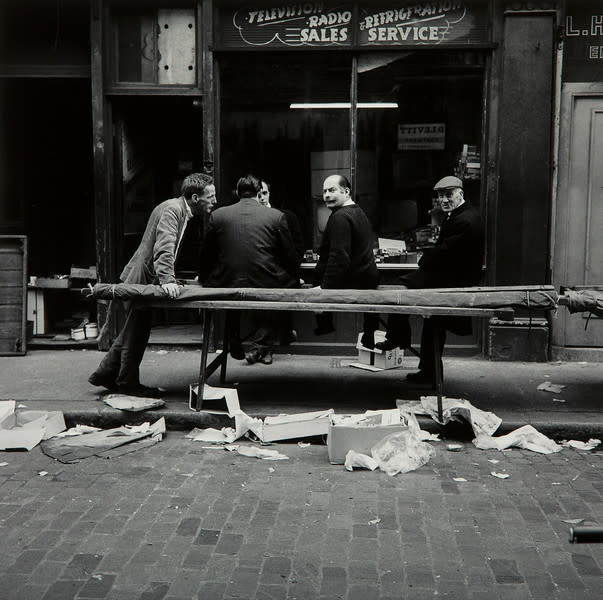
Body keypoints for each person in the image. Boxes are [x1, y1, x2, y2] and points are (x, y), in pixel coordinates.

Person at [88, 173, 217, 396]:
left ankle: (105, 373)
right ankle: (125, 382)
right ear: (195, 198)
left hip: (145, 277)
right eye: (211, 196)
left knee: (133, 329)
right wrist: (167, 280)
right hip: (143, 280)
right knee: (136, 332)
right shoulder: (173, 210)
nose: (215, 201)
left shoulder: (177, 208)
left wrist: (169, 277)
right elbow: (164, 247)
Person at [375, 175, 485, 384]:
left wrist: (425, 258)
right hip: (450, 275)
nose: (444, 200)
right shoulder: (460, 215)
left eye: (449, 195)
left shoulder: (466, 220)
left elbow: (446, 252)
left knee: (400, 290)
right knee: (433, 326)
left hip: (452, 280)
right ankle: (429, 372)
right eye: (441, 196)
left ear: (460, 193)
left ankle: (398, 338)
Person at [198, 174, 299, 365]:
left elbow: (206, 253)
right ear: (258, 193)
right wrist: (293, 275)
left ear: (238, 192)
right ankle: (269, 341)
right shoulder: (276, 216)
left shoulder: (218, 215)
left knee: (233, 294)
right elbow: (290, 256)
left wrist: (204, 277)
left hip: (226, 280)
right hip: (265, 279)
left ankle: (233, 336)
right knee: (279, 290)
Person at [314, 174, 379, 347]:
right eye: (324, 191)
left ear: (347, 191)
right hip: (367, 280)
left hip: (353, 282)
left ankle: (323, 324)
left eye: (332, 190)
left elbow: (339, 257)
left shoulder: (340, 217)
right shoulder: (357, 211)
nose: (327, 195)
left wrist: (324, 291)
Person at [259, 179, 304, 345]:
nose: (262, 198)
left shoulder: (286, 216)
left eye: (264, 193)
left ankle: (264, 347)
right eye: (258, 194)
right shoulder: (250, 220)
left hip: (283, 274)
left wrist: (293, 272)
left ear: (269, 194)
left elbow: (298, 248)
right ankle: (264, 348)